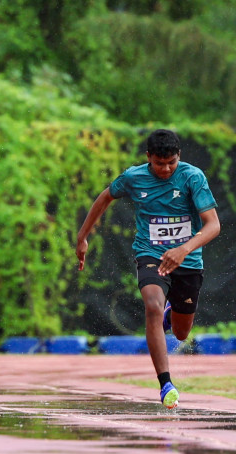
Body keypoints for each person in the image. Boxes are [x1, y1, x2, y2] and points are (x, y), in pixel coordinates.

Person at [75, 128, 221, 409]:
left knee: (180, 333)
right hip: (150, 253)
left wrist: (183, 249)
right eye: (159, 164)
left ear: (179, 157)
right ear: (148, 158)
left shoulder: (192, 177)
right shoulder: (133, 177)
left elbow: (213, 224)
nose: (165, 169)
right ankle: (166, 384)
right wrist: (82, 237)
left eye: (171, 163)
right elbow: (105, 197)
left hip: (187, 260)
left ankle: (169, 316)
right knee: (152, 306)